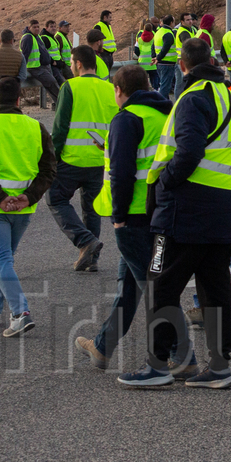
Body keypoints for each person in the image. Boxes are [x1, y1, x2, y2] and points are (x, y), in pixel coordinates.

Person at [118, 37, 231, 389]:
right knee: (214, 287)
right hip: (226, 209)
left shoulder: (192, 98)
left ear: (181, 64)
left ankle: (158, 365)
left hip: (185, 211)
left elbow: (187, 152)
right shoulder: (230, 97)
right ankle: (219, 366)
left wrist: (165, 184)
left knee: (159, 282)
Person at [75, 65, 181, 370]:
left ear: (119, 91)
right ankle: (102, 347)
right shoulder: (165, 114)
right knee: (130, 286)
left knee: (154, 289)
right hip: (160, 211)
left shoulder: (127, 119)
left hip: (133, 217)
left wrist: (118, 217)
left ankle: (183, 355)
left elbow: (121, 174)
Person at [0, 76, 56, 337]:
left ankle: (20, 313)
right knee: (4, 261)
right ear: (20, 99)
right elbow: (49, 169)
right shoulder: (36, 126)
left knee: (1, 261)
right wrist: (30, 197)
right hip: (23, 210)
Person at [185, 79, 231, 335]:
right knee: (214, 249)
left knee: (228, 251)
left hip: (223, 180)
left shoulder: (216, 99)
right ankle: (206, 306)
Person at [48, 46, 119, 272]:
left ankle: (85, 241)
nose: (70, 66)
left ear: (78, 63)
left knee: (55, 198)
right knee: (92, 207)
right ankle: (92, 259)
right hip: (100, 159)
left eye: (71, 62)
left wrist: (53, 157)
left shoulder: (70, 86)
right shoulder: (110, 89)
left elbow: (60, 128)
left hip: (72, 158)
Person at [0, 29, 28, 110]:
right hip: (13, 94)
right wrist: (13, 86)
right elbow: (23, 76)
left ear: (0, 40)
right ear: (12, 40)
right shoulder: (20, 55)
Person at [21, 19, 60, 104]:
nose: (37, 29)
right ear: (29, 27)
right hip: (35, 67)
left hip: (43, 66)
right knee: (52, 82)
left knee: (51, 85)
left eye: (38, 27)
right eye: (34, 27)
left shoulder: (37, 36)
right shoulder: (28, 37)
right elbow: (24, 55)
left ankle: (59, 104)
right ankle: (63, 103)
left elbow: (43, 51)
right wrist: (22, 69)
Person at [152, 14, 178, 99]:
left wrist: (154, 57)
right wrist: (158, 58)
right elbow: (165, 49)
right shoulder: (168, 33)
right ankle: (162, 103)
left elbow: (153, 46)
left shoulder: (158, 32)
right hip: (167, 63)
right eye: (174, 22)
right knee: (165, 86)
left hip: (160, 63)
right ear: (171, 23)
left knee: (163, 84)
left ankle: (165, 102)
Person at [174, 13, 198, 97]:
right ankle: (179, 102)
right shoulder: (183, 32)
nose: (190, 21)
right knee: (182, 84)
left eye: (191, 19)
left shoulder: (192, 29)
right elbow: (190, 46)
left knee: (181, 84)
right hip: (183, 61)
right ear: (182, 22)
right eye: (187, 20)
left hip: (186, 60)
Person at [42, 19, 65, 86]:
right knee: (60, 85)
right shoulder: (45, 38)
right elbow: (44, 53)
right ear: (46, 28)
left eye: (55, 26)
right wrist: (52, 61)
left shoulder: (52, 37)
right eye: (51, 27)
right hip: (52, 66)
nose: (54, 28)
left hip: (58, 64)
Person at [136, 22, 159, 91]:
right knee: (154, 77)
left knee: (143, 80)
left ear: (144, 29)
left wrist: (139, 55)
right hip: (153, 62)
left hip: (142, 63)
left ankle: (144, 92)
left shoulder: (139, 39)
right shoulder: (155, 38)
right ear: (152, 29)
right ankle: (156, 91)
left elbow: (136, 50)